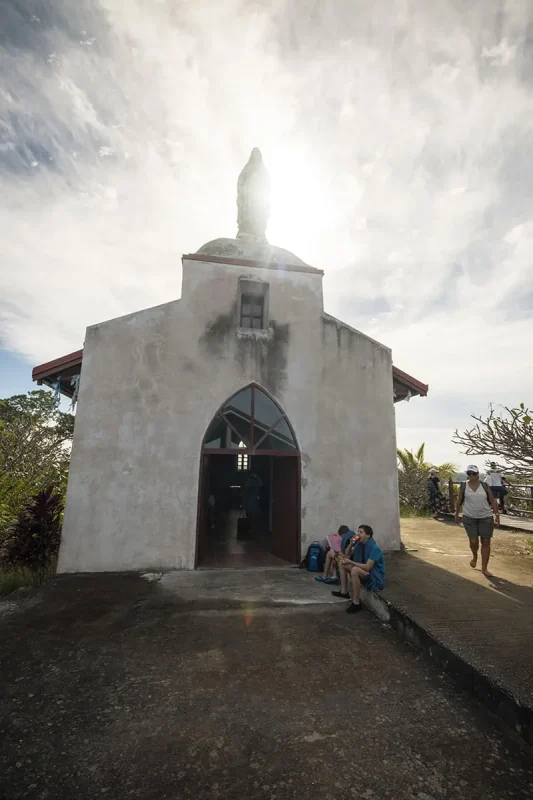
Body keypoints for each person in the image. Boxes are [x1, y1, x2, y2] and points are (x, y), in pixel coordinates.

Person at [455, 464, 500, 577]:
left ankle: (484, 568)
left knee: (486, 541)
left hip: (486, 517)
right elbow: (459, 500)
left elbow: (492, 500)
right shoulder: (463, 486)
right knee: (473, 541)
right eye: (469, 473)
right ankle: (475, 556)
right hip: (469, 517)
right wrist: (457, 514)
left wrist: (497, 515)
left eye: (473, 473)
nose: (471, 475)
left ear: (477, 474)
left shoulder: (484, 485)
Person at [331, 525, 385, 613]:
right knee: (342, 563)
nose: (358, 534)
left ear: (368, 535)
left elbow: (367, 567)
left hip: (373, 575)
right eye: (358, 532)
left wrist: (351, 562)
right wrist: (351, 544)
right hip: (363, 570)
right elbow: (347, 554)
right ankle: (344, 592)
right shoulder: (359, 544)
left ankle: (356, 603)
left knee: (355, 570)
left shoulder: (375, 548)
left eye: (361, 532)